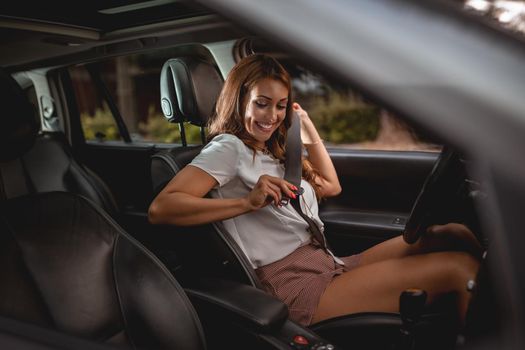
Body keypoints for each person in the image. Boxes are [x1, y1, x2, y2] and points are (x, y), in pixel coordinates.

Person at [148, 54, 481, 327]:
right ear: (239, 100)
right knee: (457, 271)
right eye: (262, 104)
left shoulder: (270, 151)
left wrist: (305, 127)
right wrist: (247, 202)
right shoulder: (228, 148)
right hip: (293, 284)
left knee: (454, 234)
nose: (273, 116)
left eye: (281, 106)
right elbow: (162, 209)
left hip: (327, 262)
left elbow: (331, 186)